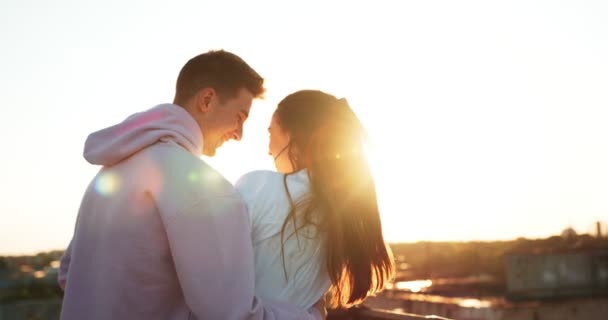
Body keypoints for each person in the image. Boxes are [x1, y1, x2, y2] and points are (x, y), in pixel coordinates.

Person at [58, 50, 324, 320]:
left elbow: (68, 274)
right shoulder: (203, 188)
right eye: (240, 117)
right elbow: (231, 315)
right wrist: (308, 317)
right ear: (207, 100)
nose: (239, 134)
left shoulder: (110, 173)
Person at [234, 90, 395, 310]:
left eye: (271, 134)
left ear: (291, 136)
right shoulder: (343, 209)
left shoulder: (256, 186)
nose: (268, 150)